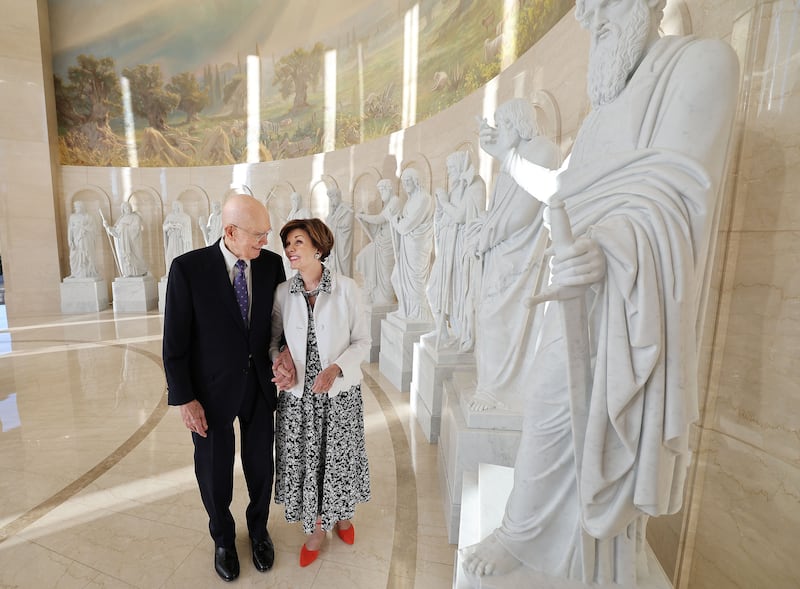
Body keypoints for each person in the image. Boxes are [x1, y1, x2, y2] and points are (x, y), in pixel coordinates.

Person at [462, 0, 738, 583]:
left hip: (631, 297)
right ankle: (526, 533)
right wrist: (508, 160)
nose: (587, 17)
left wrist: (611, 245)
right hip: (572, 289)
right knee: (546, 406)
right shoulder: (599, 116)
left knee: (565, 412)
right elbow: (562, 189)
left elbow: (682, 197)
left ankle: (554, 540)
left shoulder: (701, 64)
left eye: (601, 6)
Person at [162, 194, 296, 582]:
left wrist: (284, 355)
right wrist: (185, 399)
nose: (265, 243)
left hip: (259, 388)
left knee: (260, 467)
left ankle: (258, 530)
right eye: (258, 234)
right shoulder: (188, 269)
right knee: (214, 471)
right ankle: (222, 537)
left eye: (267, 234)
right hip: (209, 394)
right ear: (230, 232)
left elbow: (279, 325)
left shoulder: (270, 266)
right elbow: (174, 343)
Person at [270, 217, 371, 567]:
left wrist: (336, 368)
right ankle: (315, 528)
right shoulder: (284, 292)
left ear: (318, 246)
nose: (291, 249)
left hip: (339, 393)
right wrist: (279, 360)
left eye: (298, 242)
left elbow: (363, 342)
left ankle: (342, 516)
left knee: (338, 458)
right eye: (287, 244)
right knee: (309, 461)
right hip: (300, 398)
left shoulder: (347, 288)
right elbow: (275, 342)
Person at [464, 98, 561, 412]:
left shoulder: (543, 150)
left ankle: (497, 390)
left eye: (504, 124)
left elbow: (523, 212)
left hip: (521, 253)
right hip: (502, 247)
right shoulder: (514, 155)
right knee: (490, 313)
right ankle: (492, 384)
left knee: (496, 315)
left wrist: (486, 236)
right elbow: (500, 206)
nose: (499, 131)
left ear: (519, 123)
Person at [425, 150, 486, 351]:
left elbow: (461, 216)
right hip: (448, 249)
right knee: (433, 290)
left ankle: (460, 334)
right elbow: (445, 219)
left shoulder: (475, 186)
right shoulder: (455, 189)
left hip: (462, 251)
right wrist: (441, 207)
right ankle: (442, 331)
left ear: (461, 168)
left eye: (452, 169)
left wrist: (444, 201)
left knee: (459, 295)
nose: (449, 173)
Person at [389, 167, 436, 322]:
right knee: (396, 277)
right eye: (403, 181)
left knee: (416, 283)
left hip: (417, 247)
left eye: (408, 181)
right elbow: (405, 221)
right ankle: (405, 309)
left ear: (416, 181)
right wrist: (398, 219)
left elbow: (405, 226)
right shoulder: (411, 199)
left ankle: (420, 315)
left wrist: (396, 221)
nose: (405, 184)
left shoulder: (424, 198)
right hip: (407, 246)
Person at [355, 179, 400, 305]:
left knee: (386, 272)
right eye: (380, 191)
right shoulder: (388, 203)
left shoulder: (395, 201)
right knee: (362, 257)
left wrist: (364, 217)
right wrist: (365, 218)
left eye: (382, 190)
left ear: (389, 188)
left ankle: (386, 299)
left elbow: (380, 219)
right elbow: (379, 222)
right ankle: (371, 289)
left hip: (389, 243)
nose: (381, 193)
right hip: (381, 241)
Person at [102, 201, 148, 277]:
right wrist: (107, 227)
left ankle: (140, 271)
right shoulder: (121, 219)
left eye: (129, 206)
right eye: (126, 207)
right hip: (123, 243)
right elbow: (116, 232)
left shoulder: (135, 217)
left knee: (137, 256)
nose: (128, 208)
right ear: (123, 209)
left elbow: (136, 229)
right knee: (126, 258)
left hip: (133, 243)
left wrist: (124, 227)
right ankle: (129, 273)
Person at [324, 186, 355, 276]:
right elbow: (328, 222)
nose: (331, 201)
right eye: (330, 198)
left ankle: (344, 282)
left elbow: (347, 224)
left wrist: (335, 224)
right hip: (333, 243)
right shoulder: (333, 210)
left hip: (342, 243)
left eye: (332, 198)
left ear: (338, 196)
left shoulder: (347, 208)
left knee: (343, 264)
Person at [67, 200, 100, 278]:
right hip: (76, 240)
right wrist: (70, 240)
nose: (76, 208)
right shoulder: (72, 217)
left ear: (82, 207)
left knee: (87, 254)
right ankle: (75, 273)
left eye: (78, 207)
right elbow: (70, 230)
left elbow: (94, 229)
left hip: (86, 239)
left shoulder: (89, 217)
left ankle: (89, 272)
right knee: (74, 256)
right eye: (75, 207)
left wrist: (84, 228)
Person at [162, 201, 193, 278]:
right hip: (172, 239)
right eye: (174, 205)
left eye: (177, 205)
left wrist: (180, 227)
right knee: (170, 255)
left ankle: (182, 272)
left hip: (180, 240)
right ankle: (170, 271)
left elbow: (187, 229)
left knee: (180, 255)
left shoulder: (185, 217)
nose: (176, 207)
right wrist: (169, 226)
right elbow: (164, 227)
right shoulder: (169, 216)